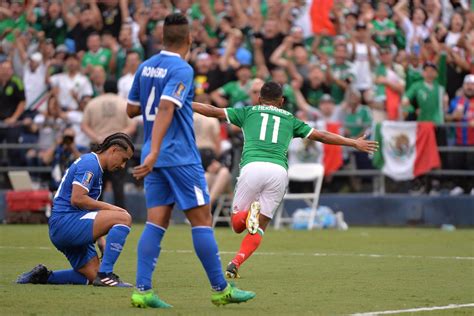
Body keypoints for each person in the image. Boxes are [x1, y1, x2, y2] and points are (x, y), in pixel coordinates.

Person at [126, 13, 255, 308]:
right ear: (189, 39)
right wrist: (158, 149)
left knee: (157, 221)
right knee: (202, 221)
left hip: (153, 155)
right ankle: (221, 289)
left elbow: (132, 109)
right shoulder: (182, 69)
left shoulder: (145, 67)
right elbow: (166, 109)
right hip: (179, 156)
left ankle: (142, 290)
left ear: (162, 37)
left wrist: (152, 151)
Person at [192, 81, 378, 278]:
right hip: (278, 171)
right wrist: (353, 143)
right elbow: (321, 136)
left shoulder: (248, 112)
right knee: (260, 227)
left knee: (237, 225)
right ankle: (236, 262)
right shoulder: (290, 119)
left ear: (259, 99)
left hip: (252, 167)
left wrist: (185, 103)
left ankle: (247, 216)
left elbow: (213, 110)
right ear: (281, 101)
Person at [16, 133, 135, 287]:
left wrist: (100, 239)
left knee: (91, 276)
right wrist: (114, 209)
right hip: (66, 224)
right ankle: (106, 275)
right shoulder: (91, 164)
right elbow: (78, 199)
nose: (123, 165)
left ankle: (43, 276)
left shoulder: (94, 165)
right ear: (113, 150)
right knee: (124, 218)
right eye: (124, 159)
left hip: (65, 225)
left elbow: (87, 206)